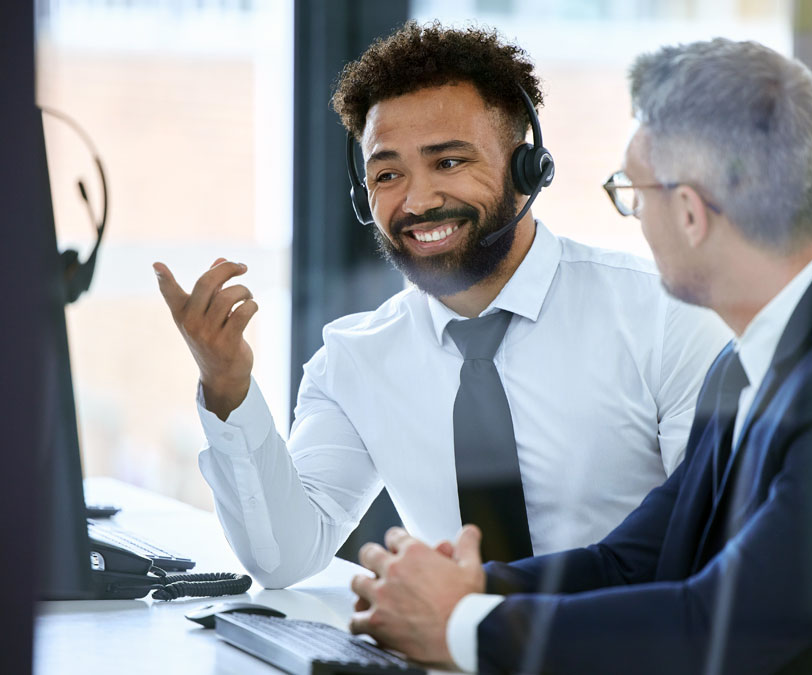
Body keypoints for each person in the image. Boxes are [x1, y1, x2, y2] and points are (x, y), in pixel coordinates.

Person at [346, 38, 812, 675]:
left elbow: (718, 629)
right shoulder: (746, 362)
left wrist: (465, 626)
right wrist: (459, 587)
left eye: (633, 193)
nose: (634, 220)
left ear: (690, 213)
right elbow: (633, 560)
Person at [153, 22, 728, 588]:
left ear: (528, 171)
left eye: (449, 162)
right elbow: (282, 557)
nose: (419, 200)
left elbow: (701, 548)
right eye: (388, 173)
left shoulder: (667, 315)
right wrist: (226, 387)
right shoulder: (355, 359)